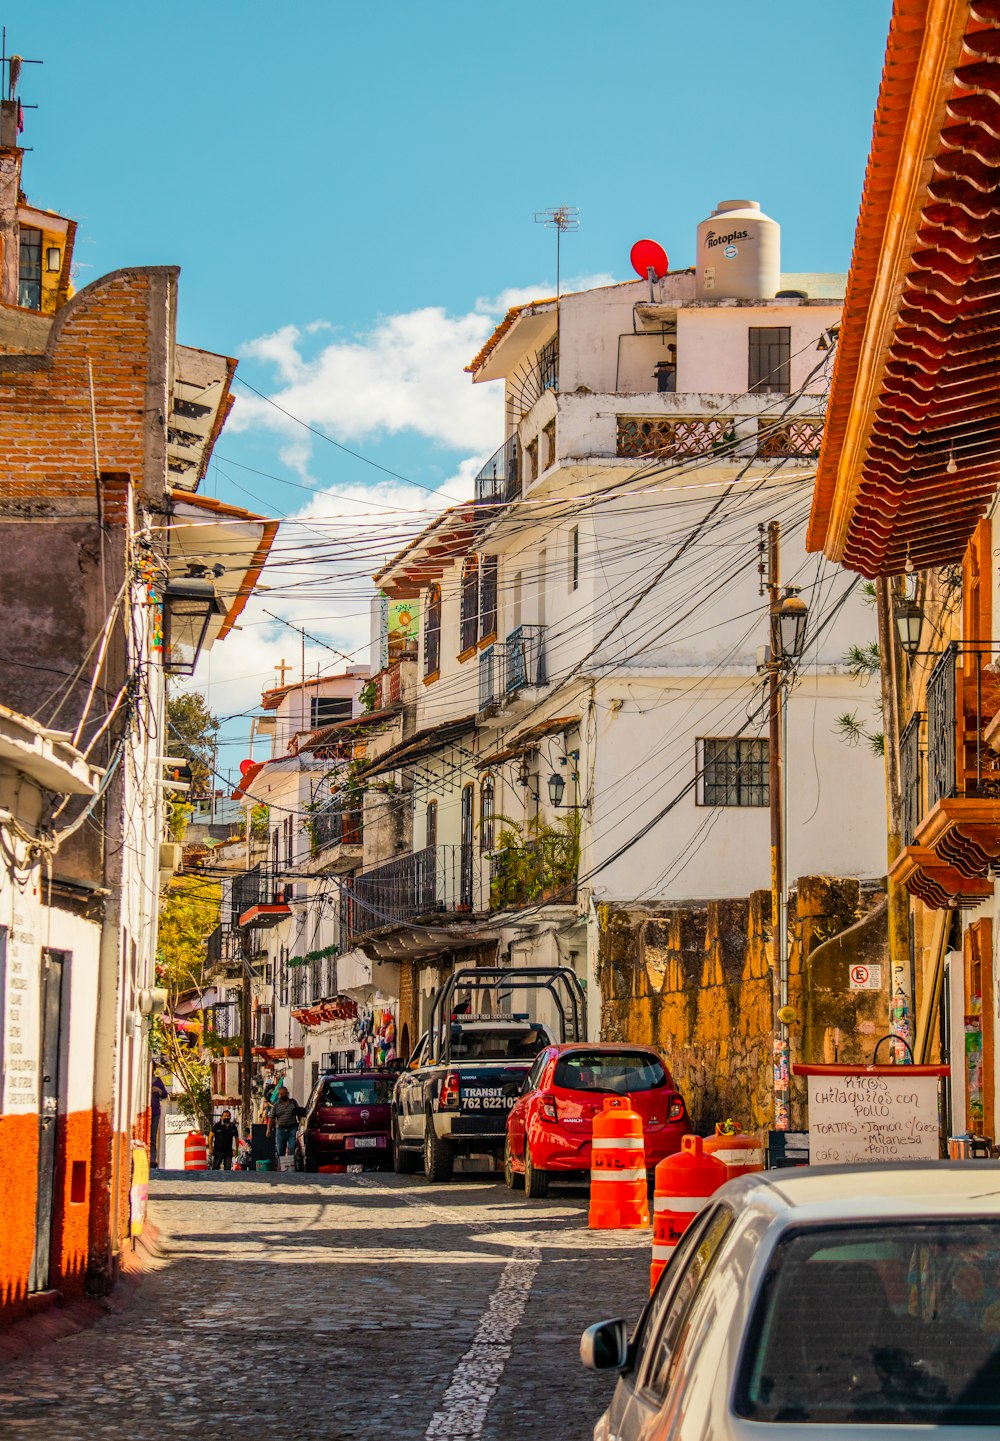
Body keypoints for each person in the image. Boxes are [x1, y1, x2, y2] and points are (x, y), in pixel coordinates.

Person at [268, 1085, 301, 1160]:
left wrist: (300, 1125)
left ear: (288, 1093)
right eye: (282, 1094)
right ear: (278, 1095)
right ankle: (281, 1168)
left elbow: (299, 1114)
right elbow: (271, 1118)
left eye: (285, 1093)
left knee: (292, 1148)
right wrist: (268, 1129)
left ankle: (292, 1166)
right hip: (281, 1130)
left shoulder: (293, 1102)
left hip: (292, 1129)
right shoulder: (276, 1106)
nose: (284, 1095)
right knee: (280, 1150)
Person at [149, 1070, 168, 1168]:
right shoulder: (144, 1079)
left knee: (153, 1136)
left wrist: (158, 1090)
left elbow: (165, 1094)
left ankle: (152, 1159)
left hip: (155, 1112)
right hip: (146, 1110)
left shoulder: (158, 1081)